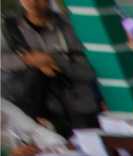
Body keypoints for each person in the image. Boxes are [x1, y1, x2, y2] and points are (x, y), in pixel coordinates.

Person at [1, 0, 99, 137]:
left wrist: (54, 60)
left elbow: (91, 69)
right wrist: (30, 60)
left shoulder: (70, 25)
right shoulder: (8, 28)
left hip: (78, 107)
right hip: (32, 109)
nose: (33, 3)